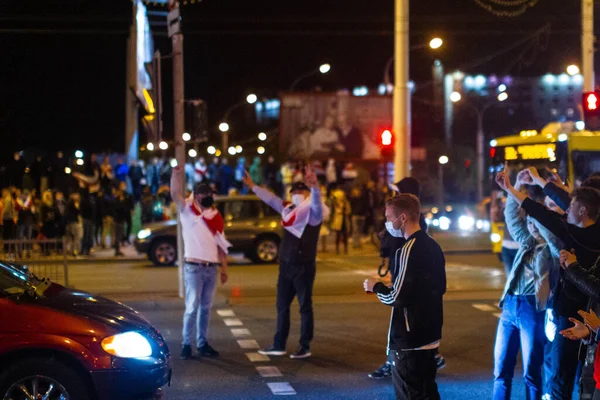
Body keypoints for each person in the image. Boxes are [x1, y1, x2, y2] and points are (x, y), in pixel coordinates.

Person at [496, 164, 600, 399]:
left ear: (583, 210)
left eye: (572, 207)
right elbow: (557, 203)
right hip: (593, 315)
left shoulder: (568, 234)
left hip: (571, 316)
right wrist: (539, 183)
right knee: (587, 378)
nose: (566, 209)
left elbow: (539, 211)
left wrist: (512, 188)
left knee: (560, 378)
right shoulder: (590, 229)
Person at [364, 194, 446, 400]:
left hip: (409, 340)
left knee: (410, 394)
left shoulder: (407, 249)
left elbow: (396, 298)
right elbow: (439, 287)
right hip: (430, 335)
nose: (387, 222)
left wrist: (376, 287)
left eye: (389, 216)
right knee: (428, 393)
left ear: (402, 218)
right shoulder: (433, 245)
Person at [492, 170, 562, 400]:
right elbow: (512, 216)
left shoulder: (553, 249)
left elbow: (551, 237)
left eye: (535, 220)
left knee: (532, 371)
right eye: (530, 219)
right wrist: (517, 185)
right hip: (510, 305)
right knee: (501, 369)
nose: (530, 223)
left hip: (533, 308)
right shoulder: (527, 241)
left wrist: (538, 218)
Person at [244, 165, 327, 359]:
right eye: (295, 191)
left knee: (305, 306)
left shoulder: (313, 214)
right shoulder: (288, 210)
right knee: (282, 306)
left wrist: (315, 187)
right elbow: (271, 199)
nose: (297, 193)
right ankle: (279, 344)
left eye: (301, 190)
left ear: (307, 194)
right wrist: (253, 186)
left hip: (304, 266)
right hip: (286, 265)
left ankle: (304, 346)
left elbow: (316, 203)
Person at [171, 166, 230, 360]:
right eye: (204, 194)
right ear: (195, 196)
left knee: (205, 308)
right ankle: (187, 344)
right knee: (192, 306)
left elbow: (221, 243)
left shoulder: (216, 216)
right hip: (194, 268)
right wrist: (176, 175)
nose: (208, 197)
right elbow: (174, 194)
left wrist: (224, 268)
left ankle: (202, 343)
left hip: (211, 268)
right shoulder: (187, 211)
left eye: (210, 194)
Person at [328, 184, 350, 255]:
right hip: (339, 219)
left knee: (345, 235)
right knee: (338, 235)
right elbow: (332, 201)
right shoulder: (336, 203)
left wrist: (346, 209)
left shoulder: (345, 203)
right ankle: (337, 250)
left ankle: (345, 249)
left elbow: (349, 210)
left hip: (344, 220)